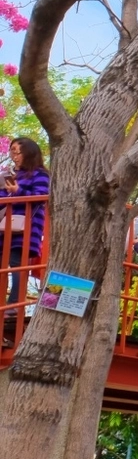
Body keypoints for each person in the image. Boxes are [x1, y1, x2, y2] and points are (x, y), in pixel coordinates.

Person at [0, 137, 49, 338]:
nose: (13, 156)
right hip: (5, 227)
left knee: (16, 262)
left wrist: (18, 190)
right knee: (3, 264)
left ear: (28, 152)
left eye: (16, 151)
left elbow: (41, 195)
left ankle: (14, 305)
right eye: (11, 152)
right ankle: (5, 304)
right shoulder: (12, 173)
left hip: (26, 226)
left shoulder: (39, 173)